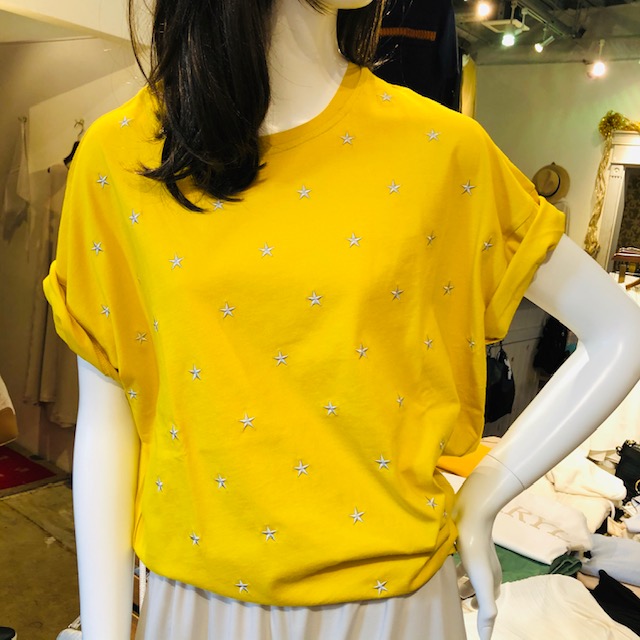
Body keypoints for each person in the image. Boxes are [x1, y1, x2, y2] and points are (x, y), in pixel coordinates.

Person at [43, 0, 640, 638]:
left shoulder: (441, 150)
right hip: (197, 598)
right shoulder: (121, 156)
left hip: (392, 601)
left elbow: (621, 331)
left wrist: (485, 495)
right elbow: (108, 411)